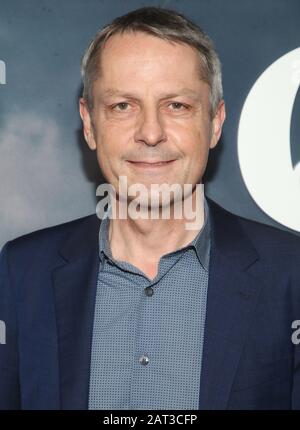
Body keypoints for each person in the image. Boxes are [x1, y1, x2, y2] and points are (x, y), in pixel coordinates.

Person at [0, 6, 300, 410]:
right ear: (89, 124)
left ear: (214, 122)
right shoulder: (22, 274)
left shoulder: (290, 276)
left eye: (176, 105)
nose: (151, 133)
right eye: (123, 105)